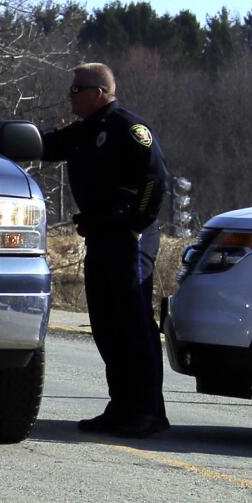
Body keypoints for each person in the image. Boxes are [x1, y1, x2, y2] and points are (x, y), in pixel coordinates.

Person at [42, 63, 170, 438]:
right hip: (100, 236)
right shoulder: (87, 132)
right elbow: (46, 144)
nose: (70, 96)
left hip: (130, 237)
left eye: (76, 89)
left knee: (132, 323)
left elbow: (154, 180)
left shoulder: (129, 130)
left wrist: (134, 224)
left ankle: (148, 411)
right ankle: (122, 407)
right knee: (106, 324)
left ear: (99, 92)